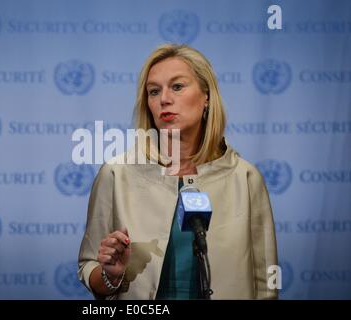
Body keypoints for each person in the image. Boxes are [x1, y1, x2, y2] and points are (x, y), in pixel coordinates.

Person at [78, 44, 278, 299]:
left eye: (177, 87)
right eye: (153, 91)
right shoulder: (116, 174)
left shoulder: (245, 178)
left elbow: (265, 283)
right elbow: (89, 268)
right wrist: (111, 275)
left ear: (206, 96)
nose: (164, 99)